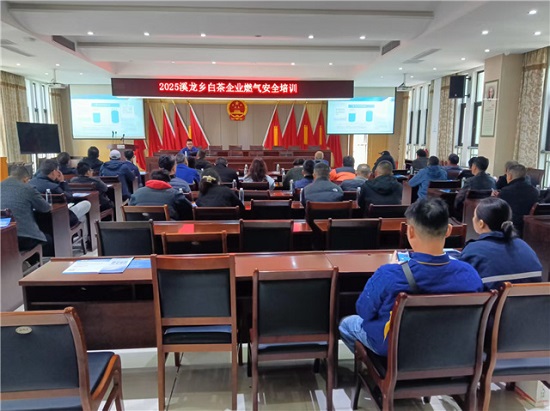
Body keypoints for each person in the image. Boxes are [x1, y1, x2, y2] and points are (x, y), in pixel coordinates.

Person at [338, 198, 483, 356]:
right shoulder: (470, 274)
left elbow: (364, 311)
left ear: (410, 231)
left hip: (399, 349)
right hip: (450, 347)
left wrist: (394, 268)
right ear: (448, 230)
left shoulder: (390, 274)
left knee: (346, 324)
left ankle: (377, 365)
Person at [459, 197, 542, 290]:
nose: (473, 218)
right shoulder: (525, 247)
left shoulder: (473, 250)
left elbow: (463, 282)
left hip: (492, 299)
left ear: (481, 223)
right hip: (532, 299)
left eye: (474, 216)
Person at [0, 165, 53, 256]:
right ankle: (38, 263)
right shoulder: (28, 188)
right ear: (25, 179)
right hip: (23, 237)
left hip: (3, 236)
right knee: (48, 240)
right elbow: (45, 208)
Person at [29, 159, 91, 227]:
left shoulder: (30, 183)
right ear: (54, 172)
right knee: (86, 204)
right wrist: (62, 181)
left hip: (36, 219)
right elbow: (70, 198)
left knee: (81, 216)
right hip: (59, 218)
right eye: (58, 171)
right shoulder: (53, 187)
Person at [496, 164, 539, 236]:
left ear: (509, 176)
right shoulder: (534, 191)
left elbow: (500, 211)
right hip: (528, 226)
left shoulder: (506, 191)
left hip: (510, 226)